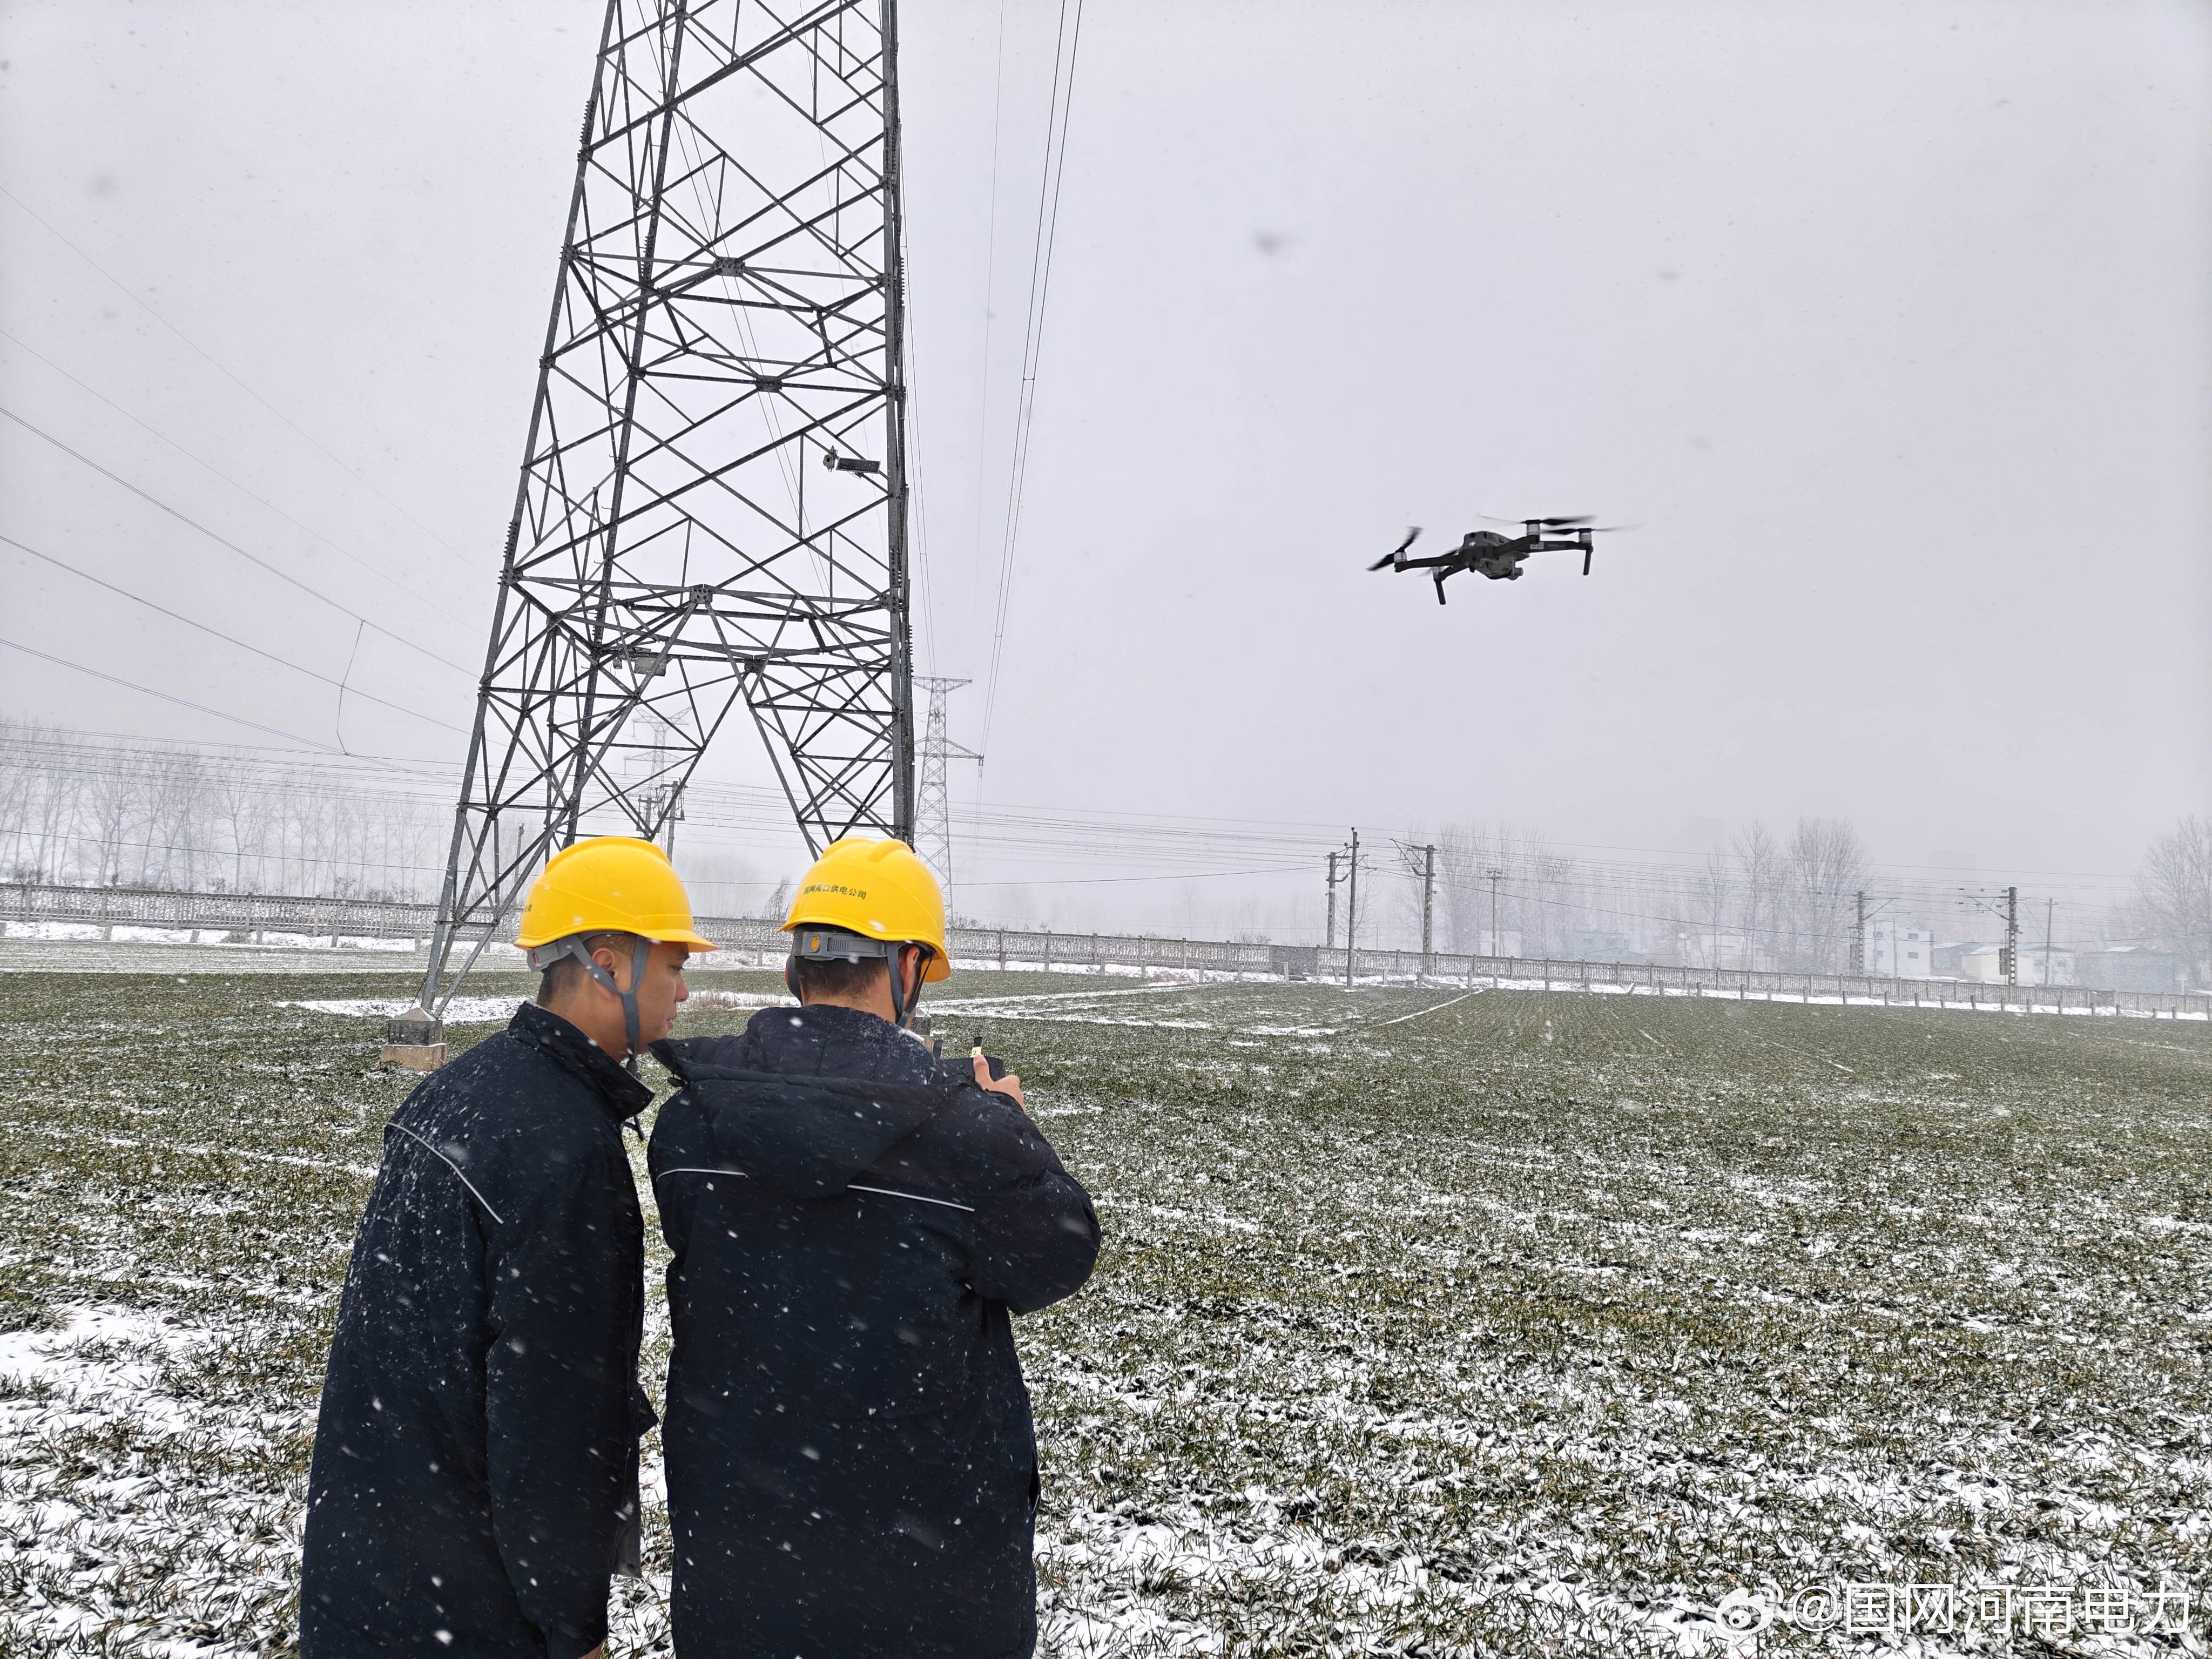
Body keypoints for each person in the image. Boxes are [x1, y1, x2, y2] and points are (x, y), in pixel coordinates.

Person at [649, 836, 1101, 1659]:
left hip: (741, 1578)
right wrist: (1008, 1122)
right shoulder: (968, 1138)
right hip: (930, 1593)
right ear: (909, 969)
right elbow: (1061, 1252)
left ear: (797, 964)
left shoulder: (691, 1125)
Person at [300, 835, 713, 1659]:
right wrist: (572, 1624)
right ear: (607, 964)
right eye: (672, 965)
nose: (685, 989)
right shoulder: (563, 1144)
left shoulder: (459, 1088)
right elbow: (552, 1414)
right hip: (472, 1603)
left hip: (373, 1558)